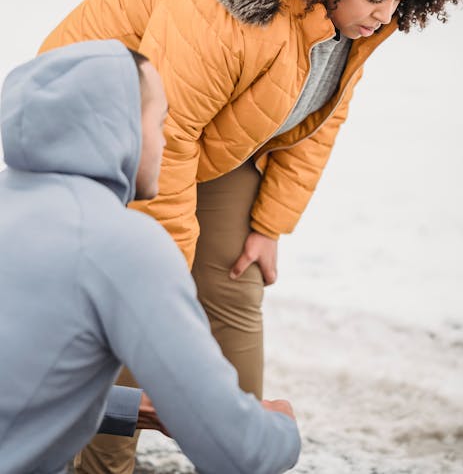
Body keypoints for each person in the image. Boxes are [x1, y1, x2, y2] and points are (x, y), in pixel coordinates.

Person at [39, 0, 463, 473]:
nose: (387, 13)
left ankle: (239, 452)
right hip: (99, 131)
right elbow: (166, 132)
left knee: (234, 280)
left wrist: (268, 223)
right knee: (132, 305)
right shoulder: (229, 7)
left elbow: (313, 123)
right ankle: (100, 468)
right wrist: (160, 278)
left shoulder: (353, 23)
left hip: (205, 136)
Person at [0, 40, 300, 474]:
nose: (165, 141)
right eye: (159, 122)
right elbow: (236, 452)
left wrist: (128, 406)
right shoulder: (122, 242)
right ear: (117, 127)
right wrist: (282, 431)